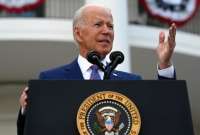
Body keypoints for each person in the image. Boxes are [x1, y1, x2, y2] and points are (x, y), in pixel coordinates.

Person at [17, 4, 176, 135]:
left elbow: (164, 116)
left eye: (110, 26)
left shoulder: (132, 82)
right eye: (98, 24)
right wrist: (26, 109)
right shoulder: (51, 80)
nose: (107, 31)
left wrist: (165, 64)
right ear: (78, 33)